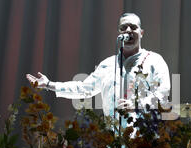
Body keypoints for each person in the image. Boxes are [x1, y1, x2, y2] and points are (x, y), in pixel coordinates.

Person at [26, 13, 171, 127]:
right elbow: (83, 88)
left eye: (133, 27)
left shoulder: (154, 60)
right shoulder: (107, 65)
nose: (128, 30)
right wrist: (49, 84)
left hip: (145, 140)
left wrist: (137, 105)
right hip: (112, 142)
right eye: (124, 27)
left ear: (141, 32)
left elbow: (163, 94)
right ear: (118, 33)